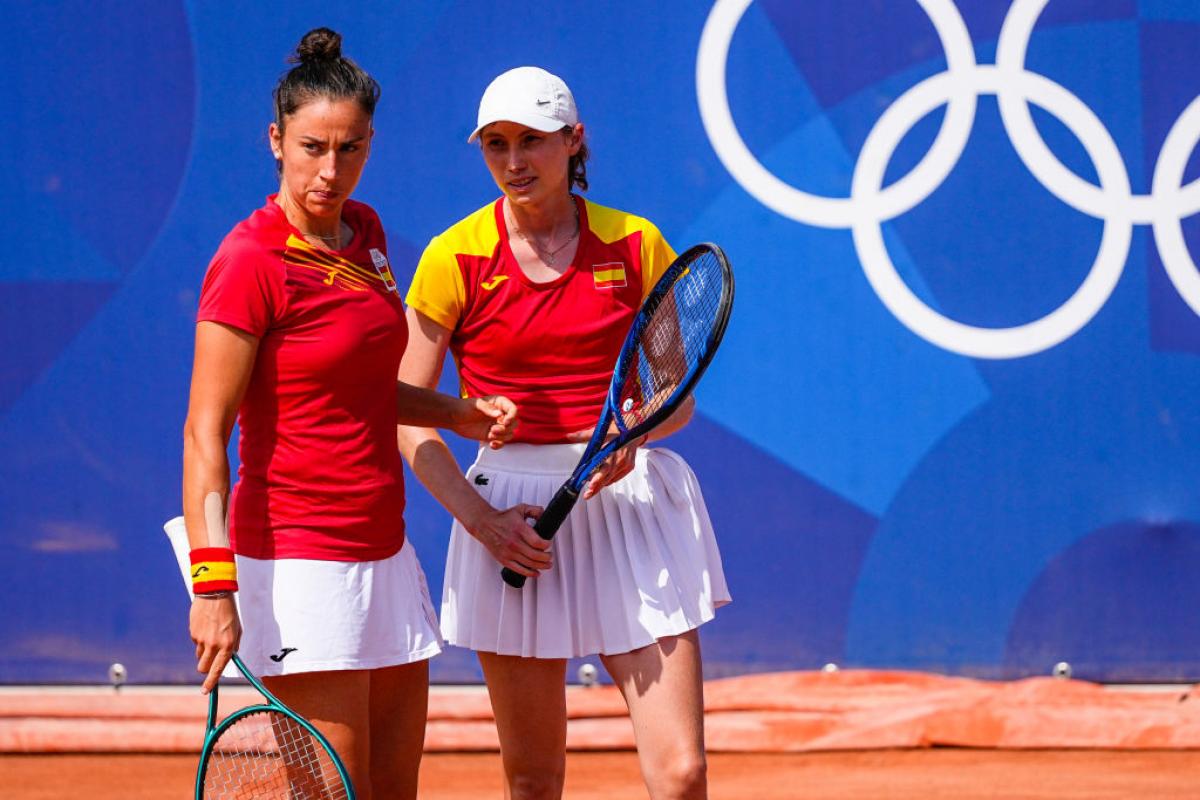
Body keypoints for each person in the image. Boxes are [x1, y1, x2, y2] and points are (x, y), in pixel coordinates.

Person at [181, 28, 518, 800]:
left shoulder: (365, 235)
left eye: (351, 148)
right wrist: (212, 584)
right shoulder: (249, 263)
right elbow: (206, 432)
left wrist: (454, 412)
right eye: (311, 148)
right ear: (276, 141)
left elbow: (356, 386)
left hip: (385, 554)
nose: (330, 171)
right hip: (299, 566)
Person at [397, 66, 730, 800]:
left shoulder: (636, 242)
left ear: (573, 141)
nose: (514, 162)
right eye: (496, 145)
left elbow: (677, 399)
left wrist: (632, 437)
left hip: (629, 501)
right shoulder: (453, 257)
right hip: (510, 515)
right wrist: (482, 522)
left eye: (532, 142)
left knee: (682, 775)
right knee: (535, 779)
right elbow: (406, 416)